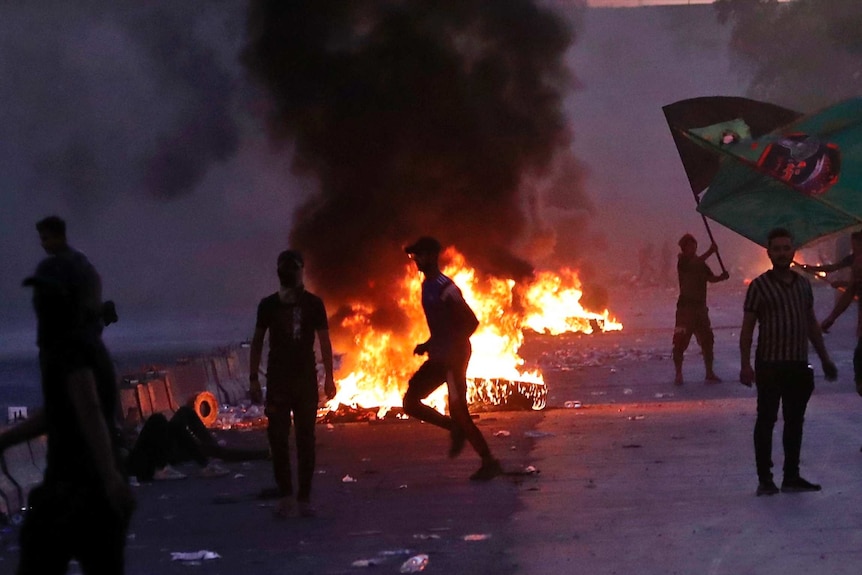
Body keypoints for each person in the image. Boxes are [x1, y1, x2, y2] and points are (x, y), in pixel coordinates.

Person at [0, 215, 135, 574]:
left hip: (75, 488)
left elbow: (88, 406)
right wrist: (6, 440)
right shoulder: (88, 345)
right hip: (95, 493)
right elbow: (63, 411)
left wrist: (107, 477)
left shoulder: (68, 347)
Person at [740, 227, 838, 496]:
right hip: (769, 366)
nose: (782, 253)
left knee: (795, 421)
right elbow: (748, 328)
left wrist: (825, 358)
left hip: (797, 364)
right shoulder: (759, 287)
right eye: (777, 249)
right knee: (767, 421)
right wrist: (745, 364)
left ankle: (791, 476)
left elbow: (810, 324)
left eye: (786, 248)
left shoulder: (803, 285)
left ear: (793, 251)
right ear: (769, 253)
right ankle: (765, 479)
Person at [402, 236, 502, 481]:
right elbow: (442, 326)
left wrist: (451, 348)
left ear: (432, 256)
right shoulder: (427, 286)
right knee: (410, 402)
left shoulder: (446, 287)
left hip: (454, 358)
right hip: (440, 355)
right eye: (413, 256)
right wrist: (429, 343)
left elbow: (471, 322)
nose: (416, 260)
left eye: (420, 255)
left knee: (459, 411)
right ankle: (454, 429)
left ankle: (489, 462)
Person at [249, 249, 336, 518]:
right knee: (277, 438)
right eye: (286, 269)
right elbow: (258, 341)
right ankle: (287, 495)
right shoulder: (268, 306)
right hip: (278, 381)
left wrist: (330, 378)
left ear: (301, 271)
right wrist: (253, 378)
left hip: (305, 381)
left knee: (305, 439)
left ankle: (304, 498)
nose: (290, 274)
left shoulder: (314, 304)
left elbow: (324, 342)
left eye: (294, 269)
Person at [124, 406, 269, 482]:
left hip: (152, 447)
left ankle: (211, 447)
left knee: (184, 412)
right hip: (155, 457)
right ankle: (205, 463)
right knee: (160, 420)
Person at [803, 231, 862, 396]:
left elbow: (851, 290)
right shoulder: (854, 260)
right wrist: (813, 268)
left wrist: (831, 318)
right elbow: (847, 282)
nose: (854, 248)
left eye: (856, 244)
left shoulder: (858, 262)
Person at [672, 233, 730, 385]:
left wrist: (721, 277)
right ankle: (678, 373)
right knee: (680, 342)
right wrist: (710, 252)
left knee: (707, 341)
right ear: (684, 248)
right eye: (689, 246)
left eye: (694, 245)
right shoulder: (683, 261)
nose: (692, 248)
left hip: (700, 308)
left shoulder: (700, 263)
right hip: (685, 309)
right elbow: (693, 265)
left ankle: (709, 372)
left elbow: (709, 278)